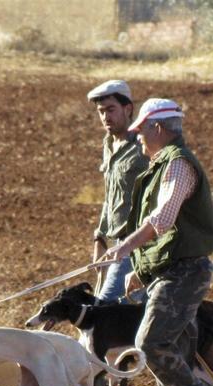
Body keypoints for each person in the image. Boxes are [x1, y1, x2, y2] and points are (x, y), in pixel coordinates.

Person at [100, 98, 213, 386]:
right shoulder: (161, 165)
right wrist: (140, 270)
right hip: (171, 271)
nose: (136, 136)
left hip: (185, 273)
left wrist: (123, 248)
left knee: (151, 345)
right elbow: (166, 234)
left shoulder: (178, 165)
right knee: (176, 352)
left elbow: (163, 219)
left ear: (157, 128)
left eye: (140, 130)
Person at [85, 80, 149, 304]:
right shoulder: (109, 144)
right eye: (101, 112)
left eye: (110, 110)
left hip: (139, 244)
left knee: (104, 310)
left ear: (128, 108)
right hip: (117, 245)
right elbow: (110, 197)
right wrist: (99, 237)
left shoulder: (144, 146)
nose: (105, 117)